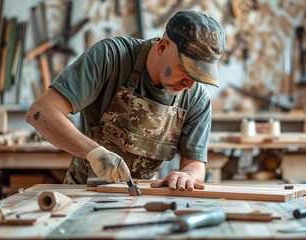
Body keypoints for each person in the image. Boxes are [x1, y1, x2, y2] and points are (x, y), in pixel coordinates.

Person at [26, 10, 225, 191]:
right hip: (83, 193)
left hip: (142, 199)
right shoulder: (110, 57)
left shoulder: (196, 98)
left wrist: (188, 175)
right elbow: (41, 112)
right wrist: (94, 153)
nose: (190, 84)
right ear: (163, 47)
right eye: (187, 70)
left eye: (198, 76)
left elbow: (195, 163)